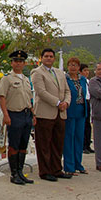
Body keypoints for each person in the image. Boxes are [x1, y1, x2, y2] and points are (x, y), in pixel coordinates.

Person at [30, 48, 72, 182]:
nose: (49, 58)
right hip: (45, 112)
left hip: (61, 113)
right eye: (46, 56)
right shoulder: (37, 72)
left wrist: (66, 102)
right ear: (41, 58)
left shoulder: (60, 72)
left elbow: (67, 90)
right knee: (44, 144)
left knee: (57, 143)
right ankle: (45, 171)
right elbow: (41, 92)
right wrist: (57, 102)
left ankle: (56, 169)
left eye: (51, 56)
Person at [0, 50, 35, 185]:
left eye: (21, 61)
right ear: (12, 63)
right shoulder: (7, 79)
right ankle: (14, 174)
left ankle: (20, 171)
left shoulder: (25, 79)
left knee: (23, 145)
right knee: (14, 145)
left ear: (24, 64)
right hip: (14, 114)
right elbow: (1, 97)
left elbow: (29, 98)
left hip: (26, 114)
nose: (18, 64)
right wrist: (6, 115)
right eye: (16, 61)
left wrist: (33, 114)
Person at [63, 57, 89, 175]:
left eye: (75, 65)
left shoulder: (82, 79)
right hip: (70, 111)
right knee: (69, 138)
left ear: (79, 67)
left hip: (81, 111)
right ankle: (69, 166)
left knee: (79, 138)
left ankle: (78, 163)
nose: (73, 67)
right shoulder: (65, 79)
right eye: (71, 65)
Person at [80, 64, 94, 154]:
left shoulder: (88, 81)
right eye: (84, 70)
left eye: (87, 70)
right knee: (83, 124)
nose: (87, 72)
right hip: (82, 101)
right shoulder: (80, 81)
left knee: (88, 125)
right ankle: (83, 145)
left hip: (88, 102)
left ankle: (88, 144)